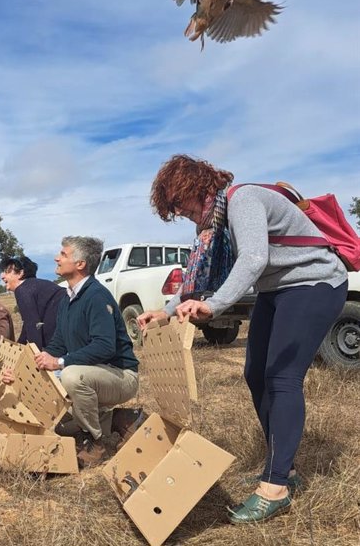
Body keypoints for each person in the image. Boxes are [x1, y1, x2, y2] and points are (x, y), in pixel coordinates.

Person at [137, 154, 348, 524]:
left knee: (282, 378)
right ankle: (286, 470)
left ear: (196, 187)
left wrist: (215, 306)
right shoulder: (213, 225)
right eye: (171, 209)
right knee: (255, 374)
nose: (179, 213)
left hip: (314, 281)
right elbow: (200, 279)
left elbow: (252, 259)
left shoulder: (243, 200)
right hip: (277, 289)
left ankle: (275, 487)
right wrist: (167, 310)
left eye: (179, 204)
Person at [34, 236, 140, 468]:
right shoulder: (68, 299)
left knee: (71, 375)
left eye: (63, 254)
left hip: (120, 375)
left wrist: (60, 362)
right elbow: (58, 343)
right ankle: (122, 419)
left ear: (80, 264)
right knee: (59, 425)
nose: (56, 258)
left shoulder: (96, 296)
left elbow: (104, 347)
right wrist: (38, 360)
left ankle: (94, 442)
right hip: (94, 373)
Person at [0, 254, 66, 349]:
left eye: (7, 272)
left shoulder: (22, 289)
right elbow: (28, 323)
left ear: (20, 273)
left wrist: (35, 356)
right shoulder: (36, 285)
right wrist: (19, 345)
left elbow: (33, 326)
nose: (2, 276)